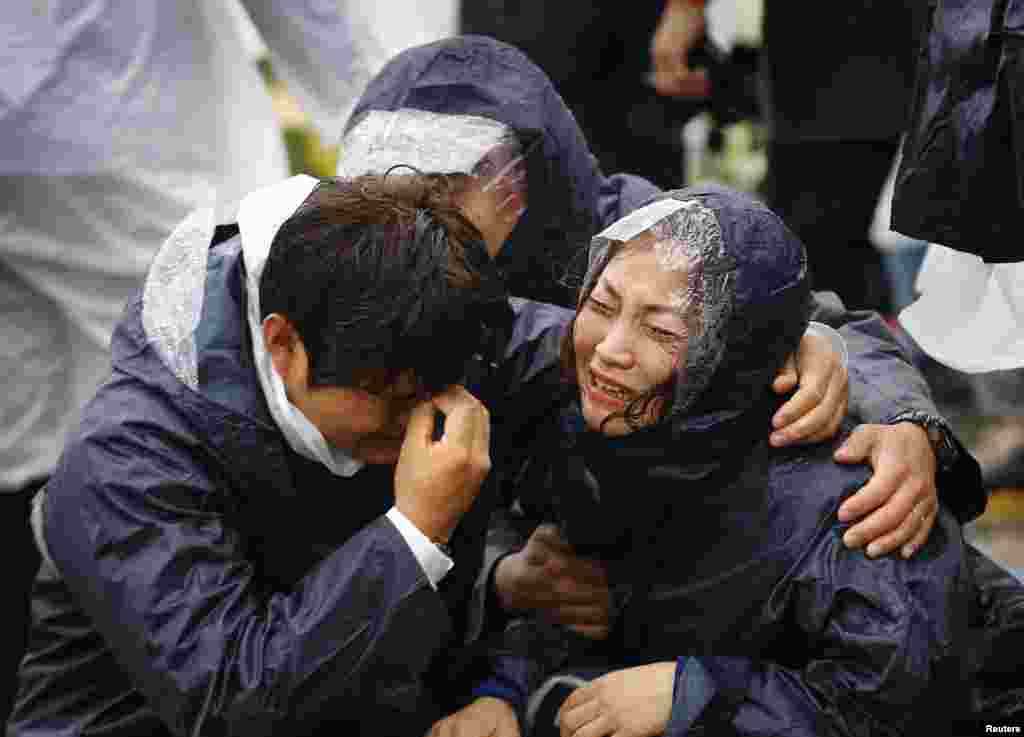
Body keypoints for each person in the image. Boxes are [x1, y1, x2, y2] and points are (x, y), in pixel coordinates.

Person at [342, 36, 985, 596]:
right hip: (557, 608)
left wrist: (905, 424)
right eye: (392, 185)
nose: (424, 213)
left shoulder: (651, 236)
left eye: (453, 183)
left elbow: (838, 326)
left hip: (740, 578)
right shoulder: (375, 282)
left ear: (526, 173)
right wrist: (498, 578)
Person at [430, 186, 974, 737]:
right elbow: (583, 597)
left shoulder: (863, 504)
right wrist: (503, 693)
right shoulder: (604, 424)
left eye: (662, 330)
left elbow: (899, 707)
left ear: (739, 353)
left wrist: (698, 693)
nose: (609, 349)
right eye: (601, 304)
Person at [0, 0, 383, 718]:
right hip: (125, 139)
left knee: (143, 436)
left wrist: (373, 132)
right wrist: (378, 137)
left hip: (133, 135)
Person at [652, 0, 927, 314]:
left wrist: (688, 6)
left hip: (845, 69)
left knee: (828, 266)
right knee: (835, 265)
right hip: (855, 68)